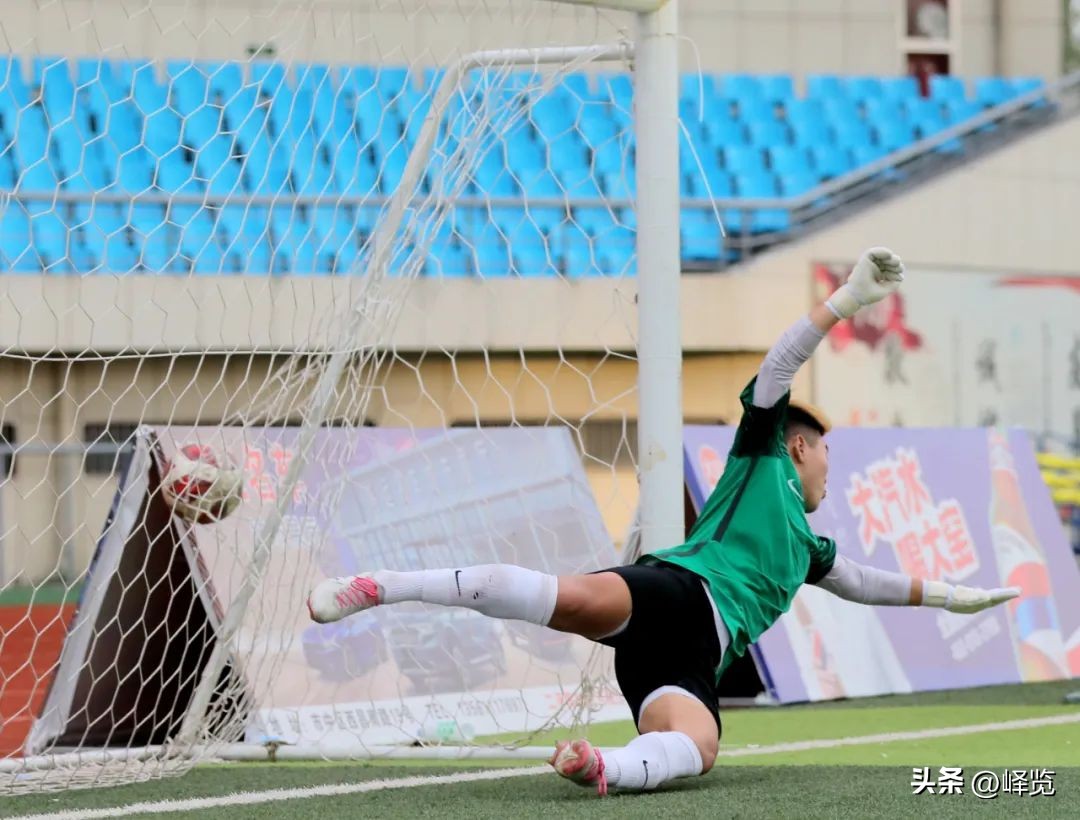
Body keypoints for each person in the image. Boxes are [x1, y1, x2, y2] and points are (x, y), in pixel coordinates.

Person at [306, 247, 1019, 796]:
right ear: (799, 446)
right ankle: (381, 585)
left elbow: (868, 584)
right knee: (568, 600)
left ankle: (603, 765)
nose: (830, 468)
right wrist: (845, 301)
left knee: (699, 747)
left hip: (686, 655)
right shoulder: (761, 459)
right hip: (676, 592)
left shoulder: (811, 549)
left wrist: (958, 596)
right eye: (826, 453)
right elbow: (777, 368)